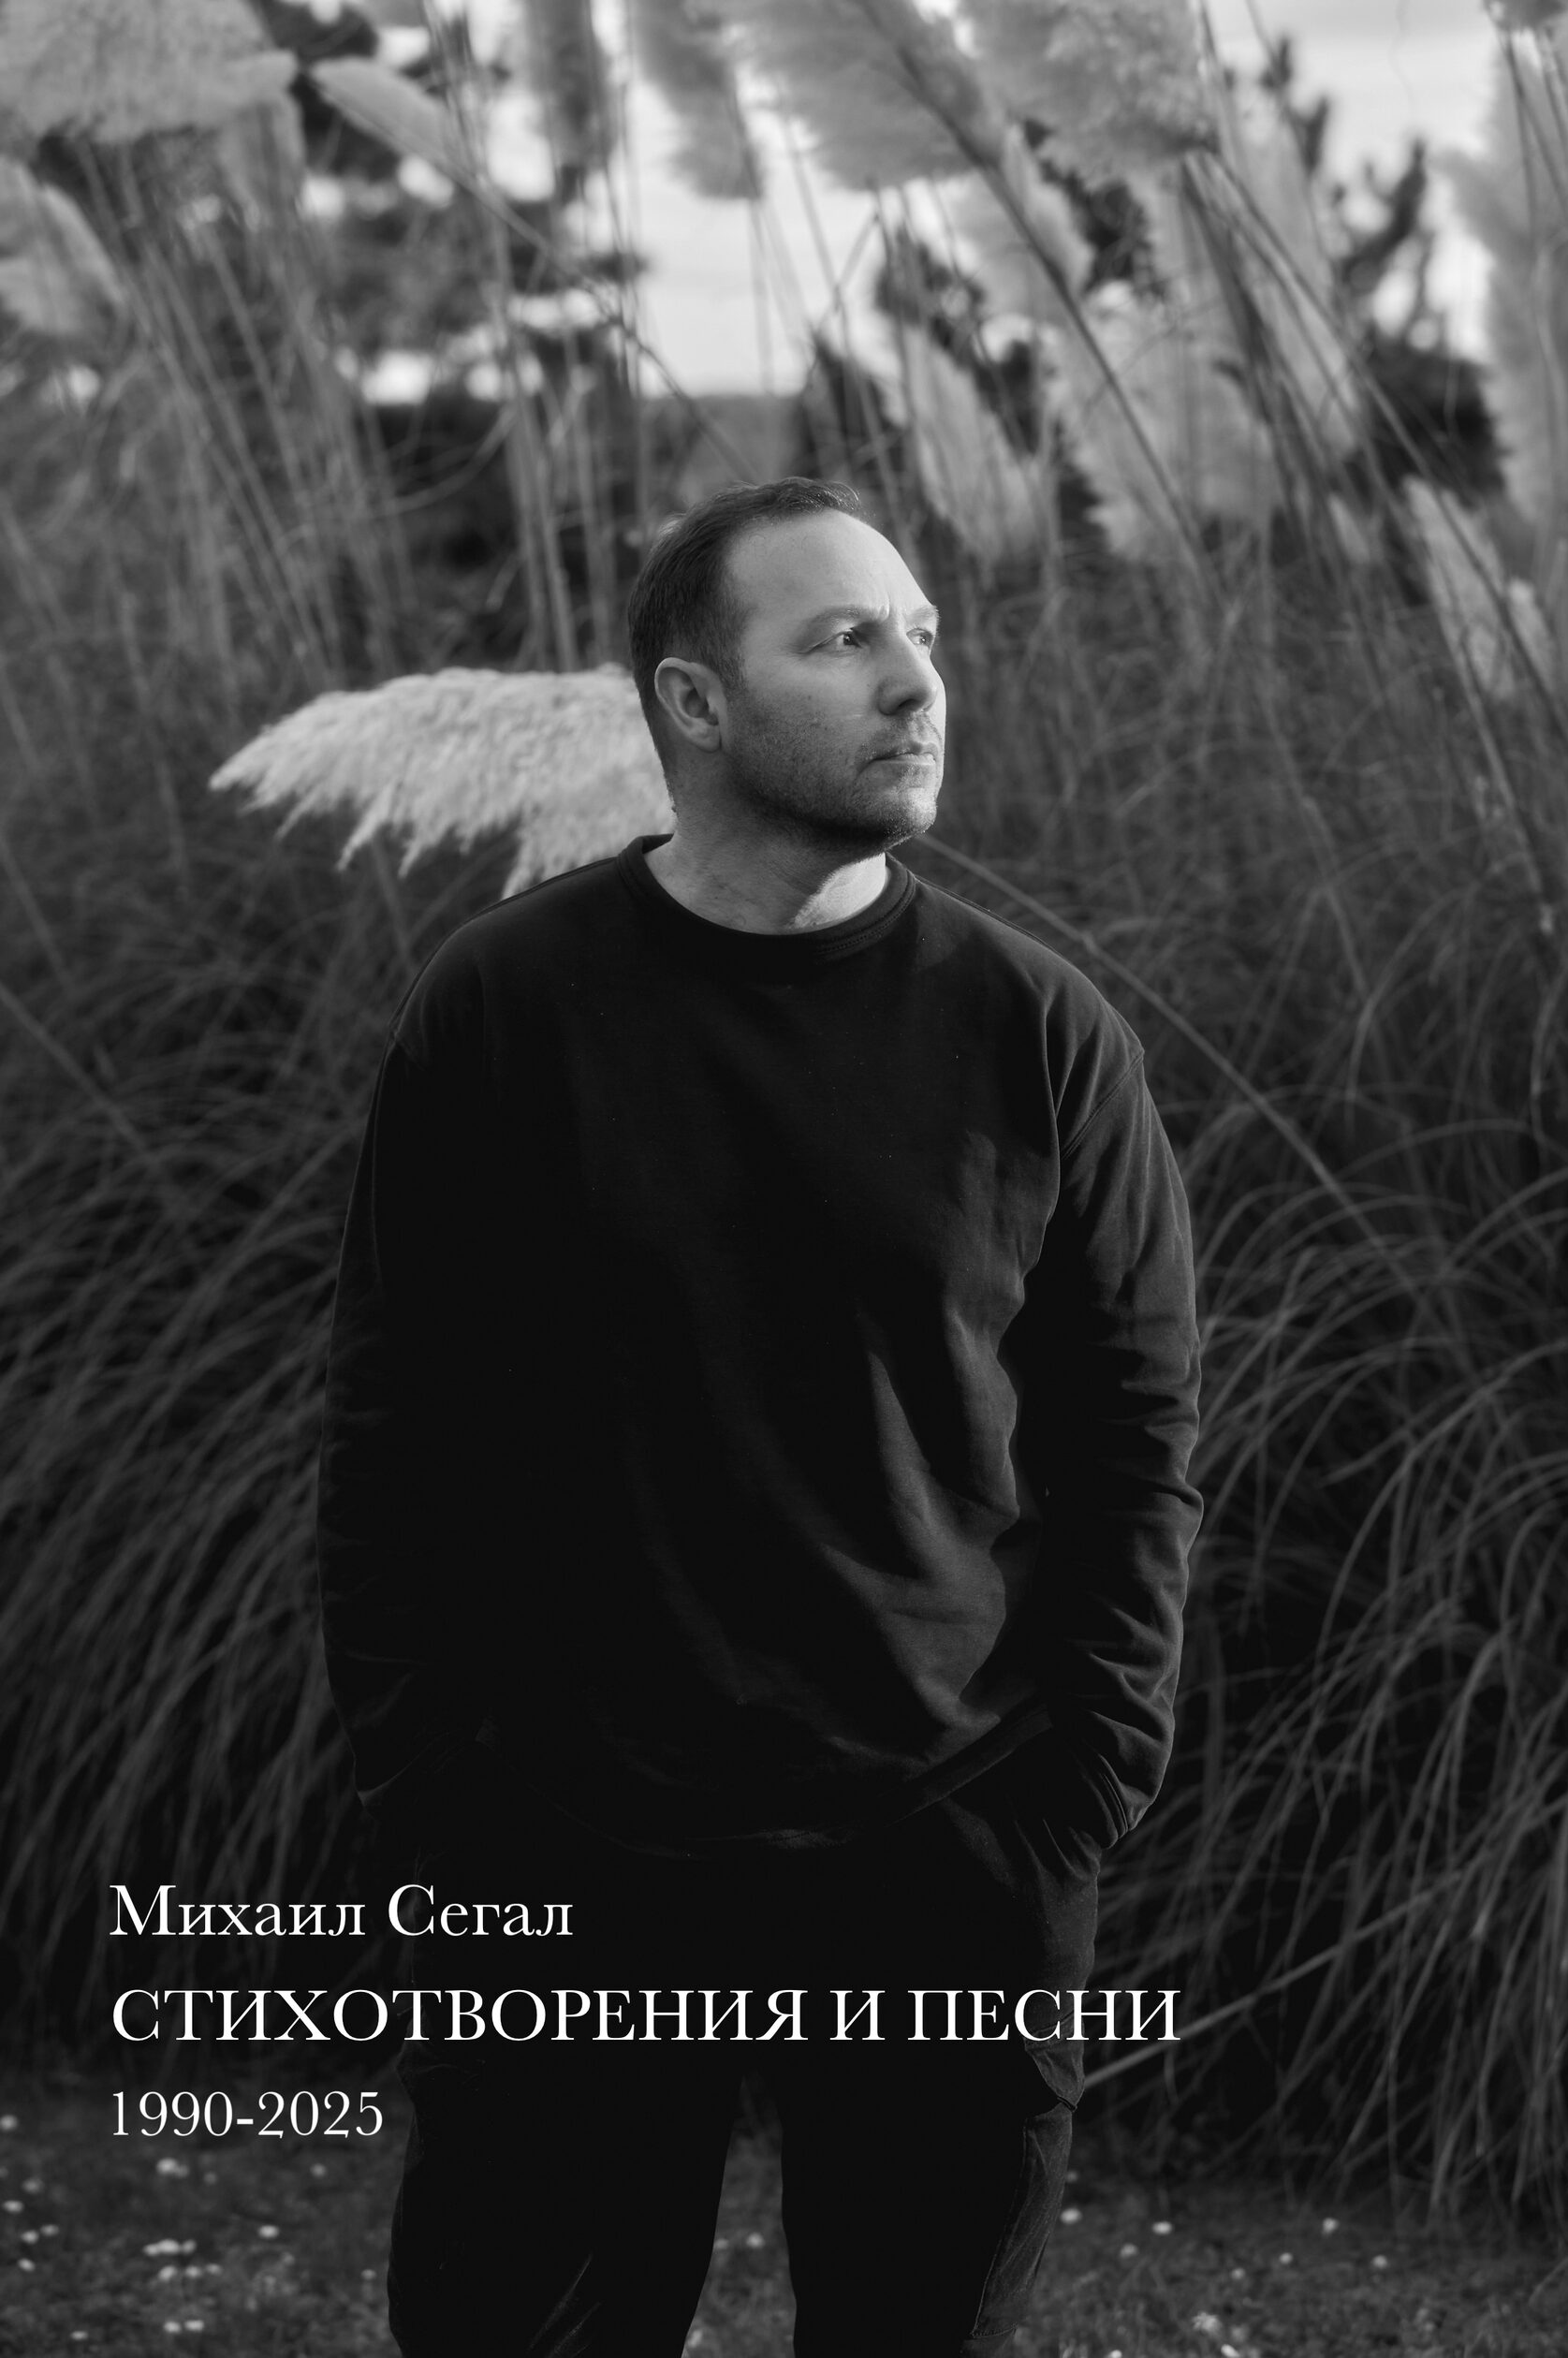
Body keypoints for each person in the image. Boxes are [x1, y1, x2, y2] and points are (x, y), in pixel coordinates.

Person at [315, 476, 1204, 2355]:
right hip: (567, 1848)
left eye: (923, 636)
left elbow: (1137, 1438)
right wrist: (438, 1800)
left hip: (947, 1848)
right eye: (846, 638)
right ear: (697, 703)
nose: (917, 682)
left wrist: (1076, 1795)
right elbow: (396, 1439)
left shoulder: (1039, 1032)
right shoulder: (505, 1012)